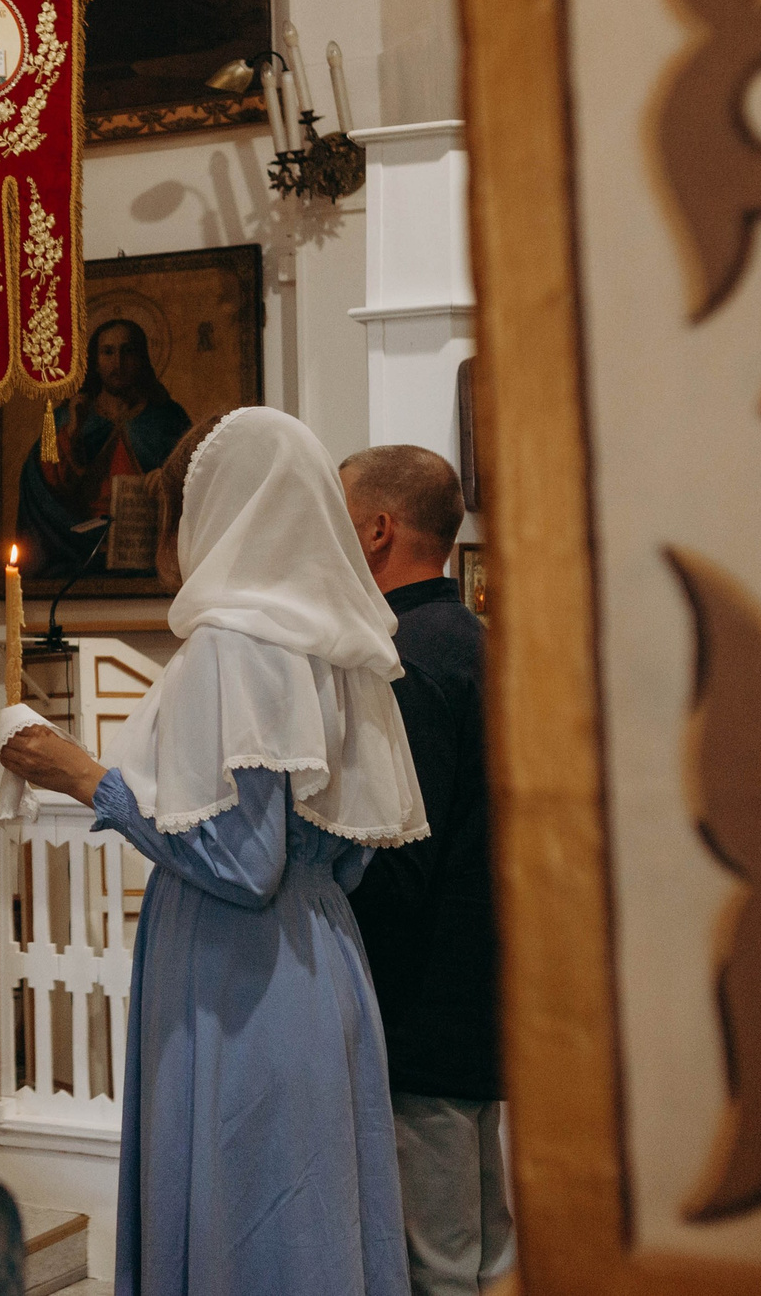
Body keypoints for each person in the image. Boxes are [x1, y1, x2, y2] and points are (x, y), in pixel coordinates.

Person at [0, 405, 425, 1296]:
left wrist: (86, 777)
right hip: (323, 958)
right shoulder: (337, 642)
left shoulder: (237, 642)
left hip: (243, 978)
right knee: (313, 1216)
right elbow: (346, 852)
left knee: (249, 1212)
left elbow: (242, 864)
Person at [341, 445, 511, 1296]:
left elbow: (402, 857)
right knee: (491, 1255)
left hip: (422, 1011)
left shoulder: (402, 657)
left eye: (339, 514)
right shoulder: (479, 639)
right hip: (489, 1004)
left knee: (436, 1266)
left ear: (377, 529)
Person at [17, 317, 193, 573]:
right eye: (108, 352)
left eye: (127, 351)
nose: (117, 362)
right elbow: (40, 486)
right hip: (79, 544)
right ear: (95, 362)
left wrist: (168, 480)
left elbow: (196, 475)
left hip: (145, 541)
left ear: (142, 358)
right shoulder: (69, 418)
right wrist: (73, 434)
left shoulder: (168, 418)